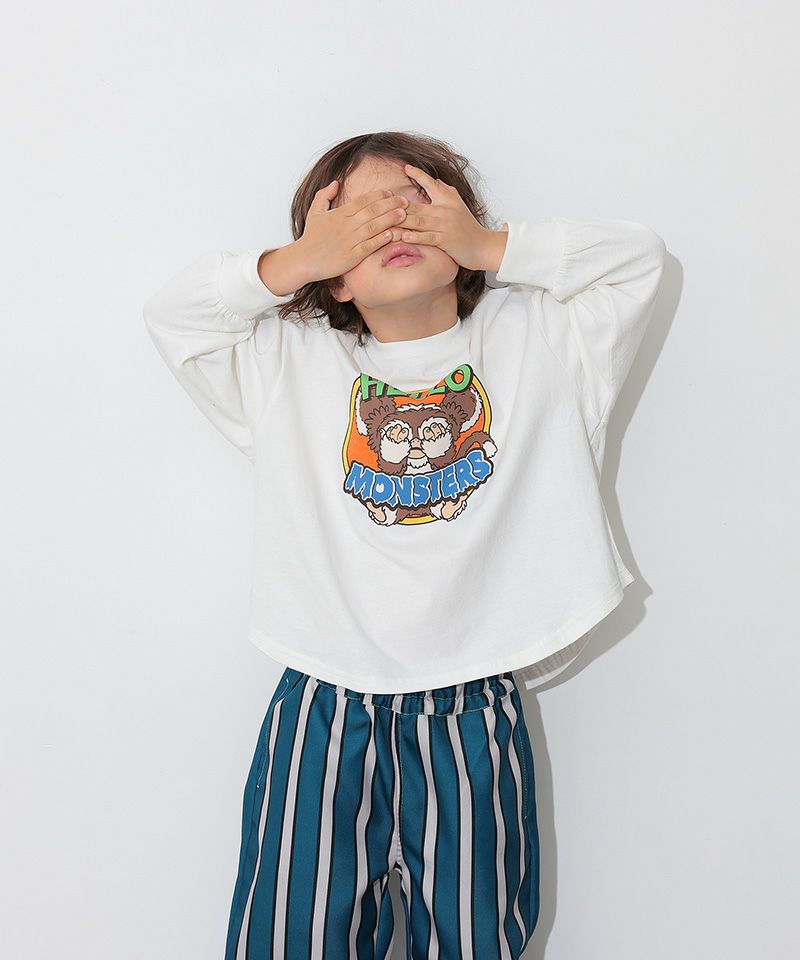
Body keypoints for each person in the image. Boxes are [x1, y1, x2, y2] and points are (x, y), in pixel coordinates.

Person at [143, 130, 666, 959]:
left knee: (476, 937)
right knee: (286, 935)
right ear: (332, 277)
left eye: (415, 204)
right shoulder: (287, 362)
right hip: (322, 697)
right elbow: (173, 315)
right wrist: (296, 261)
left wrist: (491, 247)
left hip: (473, 703)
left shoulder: (544, 342)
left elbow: (638, 262)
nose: (391, 226)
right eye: (355, 221)